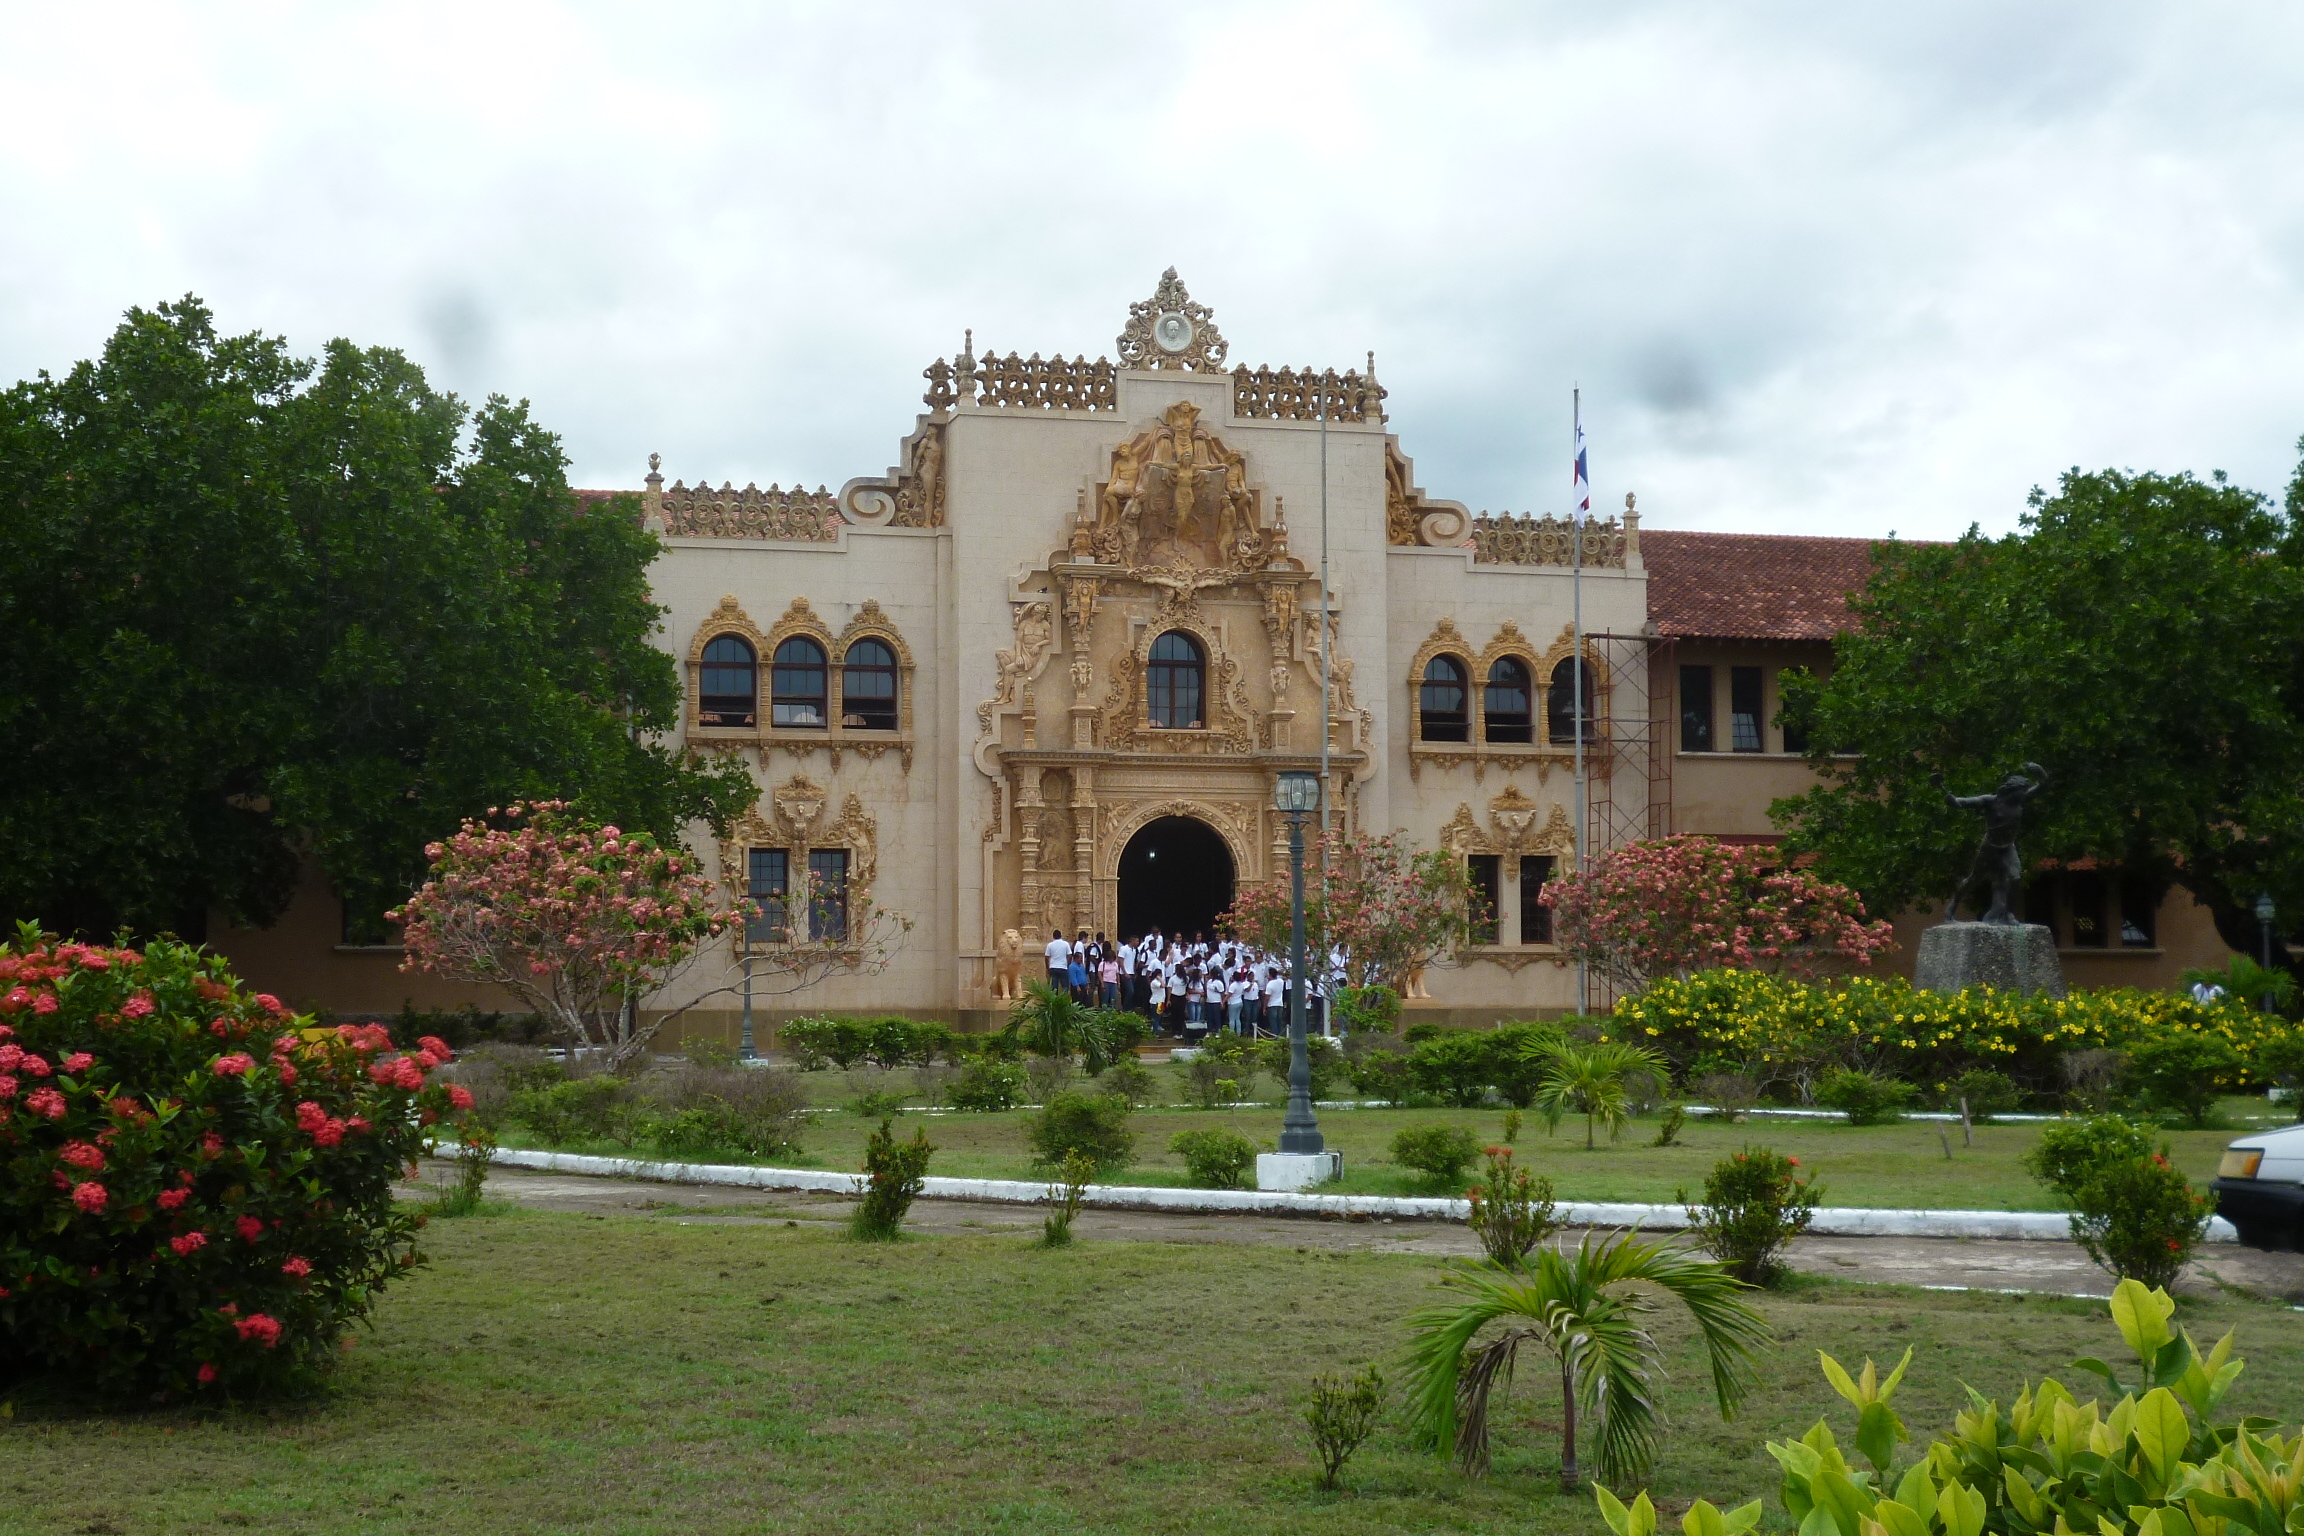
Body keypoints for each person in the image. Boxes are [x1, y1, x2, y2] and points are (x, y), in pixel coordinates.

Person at [1043, 928, 1070, 992]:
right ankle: (1064, 997)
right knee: (1065, 986)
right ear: (1061, 936)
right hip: (1063, 967)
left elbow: (1046, 957)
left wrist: (1047, 968)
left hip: (1053, 967)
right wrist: (1067, 964)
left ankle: (1054, 997)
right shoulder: (1066, 944)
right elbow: (1069, 955)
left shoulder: (1050, 945)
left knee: (1054, 987)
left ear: (1053, 936)